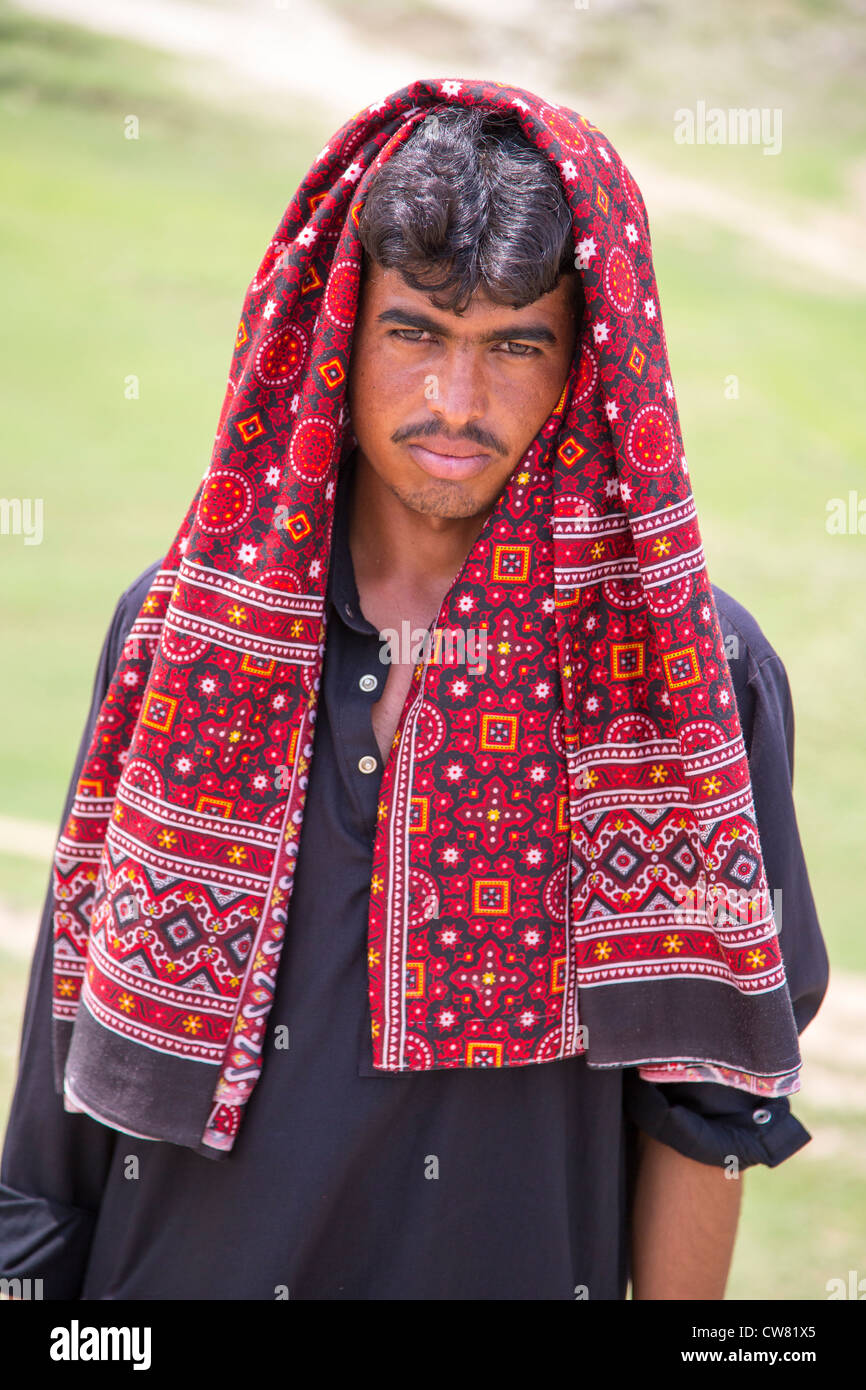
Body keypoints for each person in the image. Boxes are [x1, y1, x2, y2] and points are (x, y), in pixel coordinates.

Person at [0, 84, 828, 1301]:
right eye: (414, 333)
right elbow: (63, 1061)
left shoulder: (685, 682)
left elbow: (708, 1106)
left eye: (513, 344)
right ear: (339, 336)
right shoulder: (184, 628)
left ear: (582, 369)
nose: (455, 399)